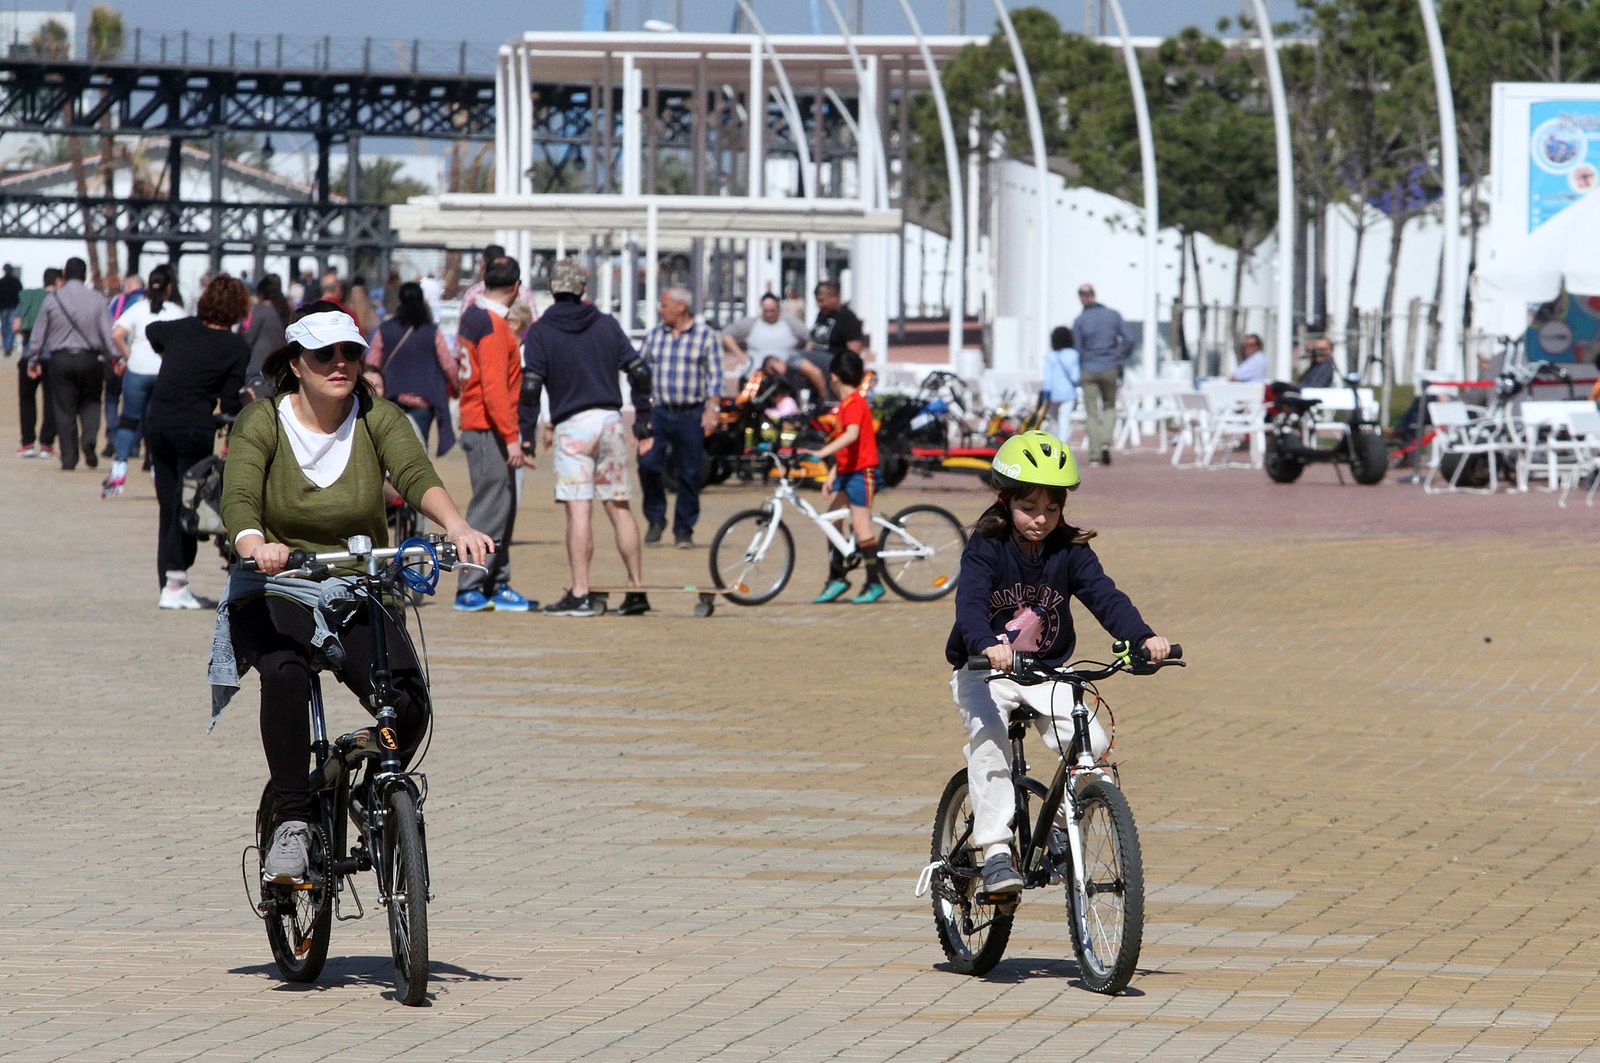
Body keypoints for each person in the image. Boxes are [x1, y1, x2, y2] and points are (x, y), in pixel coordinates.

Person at [216, 309, 494, 885]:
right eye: (324, 355)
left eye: (350, 353)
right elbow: (239, 494)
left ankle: (370, 786)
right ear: (296, 363)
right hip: (277, 584)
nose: (339, 365)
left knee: (408, 701)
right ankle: (292, 822)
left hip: (356, 583)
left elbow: (416, 473)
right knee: (287, 675)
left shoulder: (377, 417)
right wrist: (254, 543)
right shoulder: (261, 421)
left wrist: (458, 525)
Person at [946, 430, 1170, 894]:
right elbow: (969, 604)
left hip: (1045, 670)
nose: (1041, 520)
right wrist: (987, 643)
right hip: (985, 670)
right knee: (990, 743)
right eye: (1029, 508)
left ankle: (1061, 832)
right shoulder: (986, 546)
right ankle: (995, 853)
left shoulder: (1069, 551)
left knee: (1094, 742)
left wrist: (1142, 638)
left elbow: (1105, 596)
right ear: (1005, 501)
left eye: (1052, 509)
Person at [520, 257, 654, 617]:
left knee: (579, 511)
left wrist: (526, 436)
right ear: (582, 288)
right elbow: (640, 372)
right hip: (610, 421)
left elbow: (531, 387)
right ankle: (636, 590)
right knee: (619, 506)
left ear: (552, 289)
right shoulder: (607, 325)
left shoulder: (541, 331)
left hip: (573, 427)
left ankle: (581, 593)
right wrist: (643, 420)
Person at [141, 275, 252, 606]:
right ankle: (175, 584)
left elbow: (152, 331)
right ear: (238, 309)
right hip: (193, 428)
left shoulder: (180, 329)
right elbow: (231, 402)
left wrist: (171, 355)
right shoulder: (235, 347)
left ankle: (169, 583)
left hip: (158, 423)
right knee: (185, 504)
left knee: (168, 505)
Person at [453, 256, 534, 612]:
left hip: (481, 423)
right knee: (490, 507)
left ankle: (496, 581)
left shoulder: (472, 316)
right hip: (487, 427)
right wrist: (511, 435)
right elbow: (494, 389)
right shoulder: (493, 326)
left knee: (503, 506)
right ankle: (470, 585)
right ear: (516, 288)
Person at [637, 286, 722, 548]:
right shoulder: (655, 336)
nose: (660, 310)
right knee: (648, 464)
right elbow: (641, 372)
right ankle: (655, 518)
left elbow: (715, 377)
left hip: (691, 413)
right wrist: (644, 411)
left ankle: (683, 529)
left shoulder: (705, 337)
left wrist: (712, 409)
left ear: (680, 307)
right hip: (660, 412)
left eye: (664, 305)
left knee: (689, 472)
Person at [801, 350, 883, 605]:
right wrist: (833, 472)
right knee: (833, 522)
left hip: (862, 473)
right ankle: (837, 577)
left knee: (861, 527)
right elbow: (846, 446)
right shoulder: (845, 406)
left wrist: (821, 453)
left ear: (834, 377)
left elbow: (851, 435)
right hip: (847, 473)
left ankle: (874, 582)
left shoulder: (856, 403)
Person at [26, 257, 115, 471]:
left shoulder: (52, 299)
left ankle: (69, 456)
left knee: (64, 408)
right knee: (91, 402)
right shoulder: (98, 299)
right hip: (90, 358)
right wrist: (116, 357)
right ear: (85, 275)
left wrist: (33, 358)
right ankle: (89, 440)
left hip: (60, 359)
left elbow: (39, 333)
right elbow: (108, 334)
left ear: (64, 274)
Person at [104, 265, 185, 496]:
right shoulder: (176, 311)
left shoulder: (138, 308)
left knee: (129, 419)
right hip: (163, 371)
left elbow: (116, 334)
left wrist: (128, 355)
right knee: (157, 423)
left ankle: (119, 467)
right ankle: (157, 470)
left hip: (137, 369)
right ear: (170, 287)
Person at [365, 281, 459, 457]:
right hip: (424, 400)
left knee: (389, 447)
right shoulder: (432, 331)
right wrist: (455, 387)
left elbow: (372, 363)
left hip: (391, 397)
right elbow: (448, 364)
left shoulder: (385, 329)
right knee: (418, 449)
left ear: (399, 301)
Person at [1072, 283, 1131, 466]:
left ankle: (1095, 455)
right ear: (1094, 295)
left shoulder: (1080, 320)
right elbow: (1129, 339)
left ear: (1082, 297)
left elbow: (1077, 349)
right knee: (1110, 406)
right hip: (1109, 367)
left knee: (1091, 412)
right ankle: (1106, 441)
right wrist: (1119, 357)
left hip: (1088, 368)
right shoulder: (1113, 315)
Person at [721, 292, 815, 393]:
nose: (769, 314)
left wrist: (801, 358)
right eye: (766, 311)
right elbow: (726, 335)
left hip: (784, 378)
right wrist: (740, 355)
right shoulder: (751, 323)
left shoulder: (791, 323)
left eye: (772, 310)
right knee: (748, 404)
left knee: (788, 407)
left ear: (778, 307)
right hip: (755, 376)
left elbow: (809, 341)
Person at [16, 268, 61, 459]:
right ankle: (46, 444)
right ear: (59, 281)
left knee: (27, 400)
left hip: (28, 355)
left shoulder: (29, 298)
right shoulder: (60, 300)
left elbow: (16, 325)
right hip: (52, 357)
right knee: (51, 400)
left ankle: (27, 443)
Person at [806, 280, 866, 403]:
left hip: (834, 370)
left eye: (823, 301)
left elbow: (853, 352)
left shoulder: (847, 318)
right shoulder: (822, 315)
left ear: (835, 297)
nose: (820, 305)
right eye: (818, 301)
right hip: (817, 374)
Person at [244, 275, 290, 380]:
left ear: (261, 293)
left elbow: (250, 336)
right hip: (280, 362)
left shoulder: (259, 309)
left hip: (259, 362)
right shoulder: (285, 308)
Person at [1042, 325, 1081, 442]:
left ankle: (1054, 443)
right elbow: (1075, 377)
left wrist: (1046, 390)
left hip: (1053, 393)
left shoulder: (1050, 355)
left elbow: (1047, 377)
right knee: (1064, 419)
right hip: (1068, 393)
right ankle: (1063, 446)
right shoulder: (1073, 354)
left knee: (1054, 421)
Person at [0, 263, 20, 357]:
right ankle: (8, 346)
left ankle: (6, 346)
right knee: (11, 328)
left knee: (4, 328)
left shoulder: (1, 282)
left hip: (3, 308)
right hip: (13, 307)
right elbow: (20, 295)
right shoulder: (16, 282)